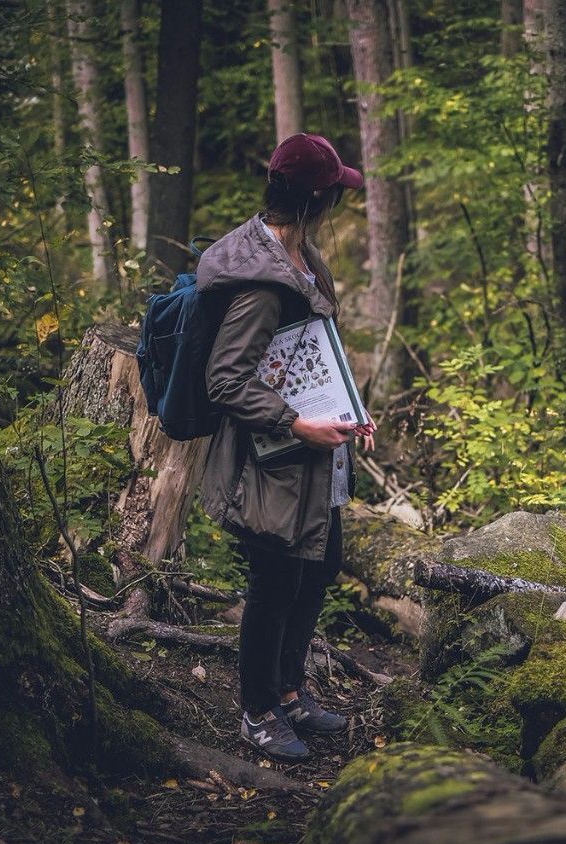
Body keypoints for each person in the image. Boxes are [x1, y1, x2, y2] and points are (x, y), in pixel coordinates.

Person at [194, 133, 376, 762]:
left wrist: (351, 413)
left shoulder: (302, 258)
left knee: (318, 568)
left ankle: (291, 691)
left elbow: (312, 355)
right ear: (315, 198)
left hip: (315, 455)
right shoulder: (262, 283)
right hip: (269, 462)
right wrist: (298, 423)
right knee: (275, 580)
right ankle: (257, 711)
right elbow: (225, 380)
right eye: (334, 192)